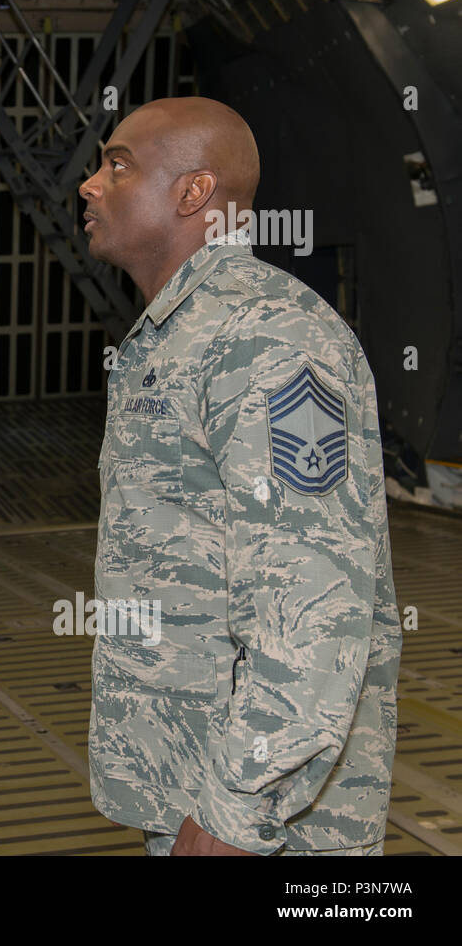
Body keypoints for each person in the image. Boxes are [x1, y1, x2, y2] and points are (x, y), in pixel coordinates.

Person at [79, 96, 401, 856]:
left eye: (116, 165)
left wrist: (234, 811)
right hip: (195, 792)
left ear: (193, 194)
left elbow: (312, 608)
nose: (91, 185)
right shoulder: (173, 337)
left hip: (266, 826)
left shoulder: (266, 339)